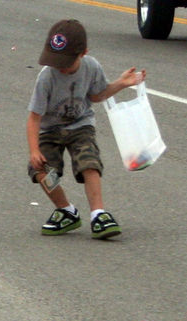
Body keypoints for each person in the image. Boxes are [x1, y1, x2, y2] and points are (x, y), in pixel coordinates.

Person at [27, 19, 145, 239]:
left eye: (66, 62)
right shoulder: (46, 77)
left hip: (81, 125)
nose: (60, 67)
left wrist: (120, 83)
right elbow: (34, 118)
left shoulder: (91, 67)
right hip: (50, 130)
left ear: (83, 53)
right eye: (55, 60)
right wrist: (34, 150)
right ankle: (66, 211)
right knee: (41, 170)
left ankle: (98, 214)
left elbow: (96, 95)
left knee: (88, 163)